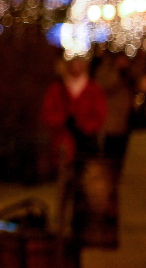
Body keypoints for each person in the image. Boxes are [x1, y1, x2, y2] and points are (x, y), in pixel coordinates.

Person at [40, 55, 107, 241]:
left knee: (84, 188)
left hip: (86, 145)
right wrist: (63, 121)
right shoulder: (58, 88)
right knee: (63, 187)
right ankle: (61, 226)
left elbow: (99, 115)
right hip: (64, 147)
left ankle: (81, 226)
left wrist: (84, 125)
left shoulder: (93, 89)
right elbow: (48, 113)